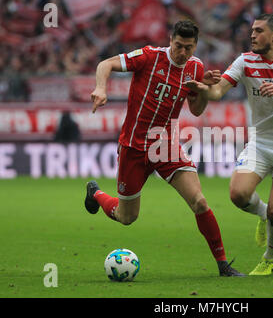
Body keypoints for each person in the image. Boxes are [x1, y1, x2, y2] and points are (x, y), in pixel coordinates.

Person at [84, 20, 244, 277]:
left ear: (195, 46)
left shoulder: (195, 67)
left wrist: (203, 90)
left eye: (188, 48)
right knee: (127, 218)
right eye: (179, 46)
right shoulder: (149, 57)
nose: (183, 53)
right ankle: (96, 194)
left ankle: (223, 264)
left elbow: (197, 110)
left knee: (199, 201)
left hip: (165, 146)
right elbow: (106, 64)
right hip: (133, 147)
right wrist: (100, 88)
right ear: (170, 40)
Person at [185, 14, 273, 275]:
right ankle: (262, 215)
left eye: (259, 31)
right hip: (260, 143)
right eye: (252, 31)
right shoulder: (245, 61)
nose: (252, 35)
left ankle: (269, 259)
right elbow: (216, 92)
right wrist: (203, 87)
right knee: (238, 195)